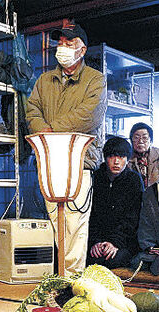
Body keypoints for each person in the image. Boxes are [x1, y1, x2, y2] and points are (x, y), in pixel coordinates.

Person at [25, 22, 107, 274]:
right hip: (49, 161)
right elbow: (31, 111)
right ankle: (64, 276)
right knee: (56, 221)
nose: (62, 48)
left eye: (69, 44)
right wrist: (44, 132)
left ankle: (72, 280)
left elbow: (89, 116)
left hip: (79, 161)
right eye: (60, 43)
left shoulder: (95, 80)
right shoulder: (44, 80)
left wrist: (51, 131)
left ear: (81, 50)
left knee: (75, 223)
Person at [87, 137, 143, 269]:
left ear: (128, 159)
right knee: (93, 260)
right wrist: (95, 242)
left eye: (121, 157)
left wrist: (114, 242)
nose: (116, 162)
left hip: (124, 241)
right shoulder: (96, 177)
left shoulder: (133, 180)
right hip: (98, 240)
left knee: (113, 260)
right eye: (111, 156)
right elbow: (90, 215)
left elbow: (133, 219)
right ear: (105, 158)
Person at [134, 148, 159, 275]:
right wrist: (150, 246)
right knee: (138, 261)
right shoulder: (151, 192)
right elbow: (145, 223)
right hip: (158, 248)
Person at [127, 122, 159, 188]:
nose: (140, 141)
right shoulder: (126, 157)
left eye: (144, 138)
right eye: (136, 138)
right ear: (131, 140)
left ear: (150, 140)